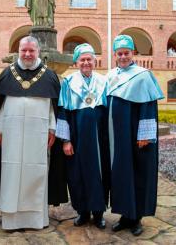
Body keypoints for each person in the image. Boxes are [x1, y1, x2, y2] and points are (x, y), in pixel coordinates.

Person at [0, 35, 67, 230]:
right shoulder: (8, 73)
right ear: (19, 51)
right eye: (24, 50)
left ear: (38, 52)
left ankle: (36, 220)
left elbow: (52, 106)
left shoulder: (49, 76)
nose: (27, 54)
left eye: (31, 50)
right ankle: (11, 220)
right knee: (11, 173)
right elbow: (1, 105)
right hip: (11, 134)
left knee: (36, 172)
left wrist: (52, 128)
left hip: (38, 135)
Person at [106, 35, 164, 236]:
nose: (123, 57)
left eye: (126, 53)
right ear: (115, 55)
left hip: (136, 136)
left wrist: (145, 135)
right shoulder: (111, 75)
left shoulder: (143, 76)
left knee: (138, 173)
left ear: (133, 54)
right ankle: (124, 215)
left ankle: (137, 217)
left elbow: (148, 107)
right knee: (121, 173)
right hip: (117, 136)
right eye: (119, 53)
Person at [56, 43, 110, 229]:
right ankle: (83, 212)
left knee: (99, 174)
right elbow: (63, 112)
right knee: (77, 174)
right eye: (82, 59)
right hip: (77, 138)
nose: (86, 62)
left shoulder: (104, 81)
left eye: (89, 59)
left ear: (94, 61)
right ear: (76, 62)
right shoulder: (69, 83)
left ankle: (99, 213)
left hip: (99, 139)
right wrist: (66, 140)